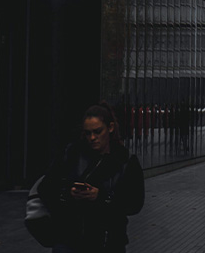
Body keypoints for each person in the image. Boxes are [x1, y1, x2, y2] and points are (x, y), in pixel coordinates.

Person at [37, 102, 144, 253]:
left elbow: (134, 203)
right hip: (69, 240)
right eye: (88, 133)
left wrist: (101, 197)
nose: (92, 137)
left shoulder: (126, 162)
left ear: (110, 128)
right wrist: (69, 193)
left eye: (97, 131)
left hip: (108, 243)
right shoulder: (71, 154)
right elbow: (46, 188)